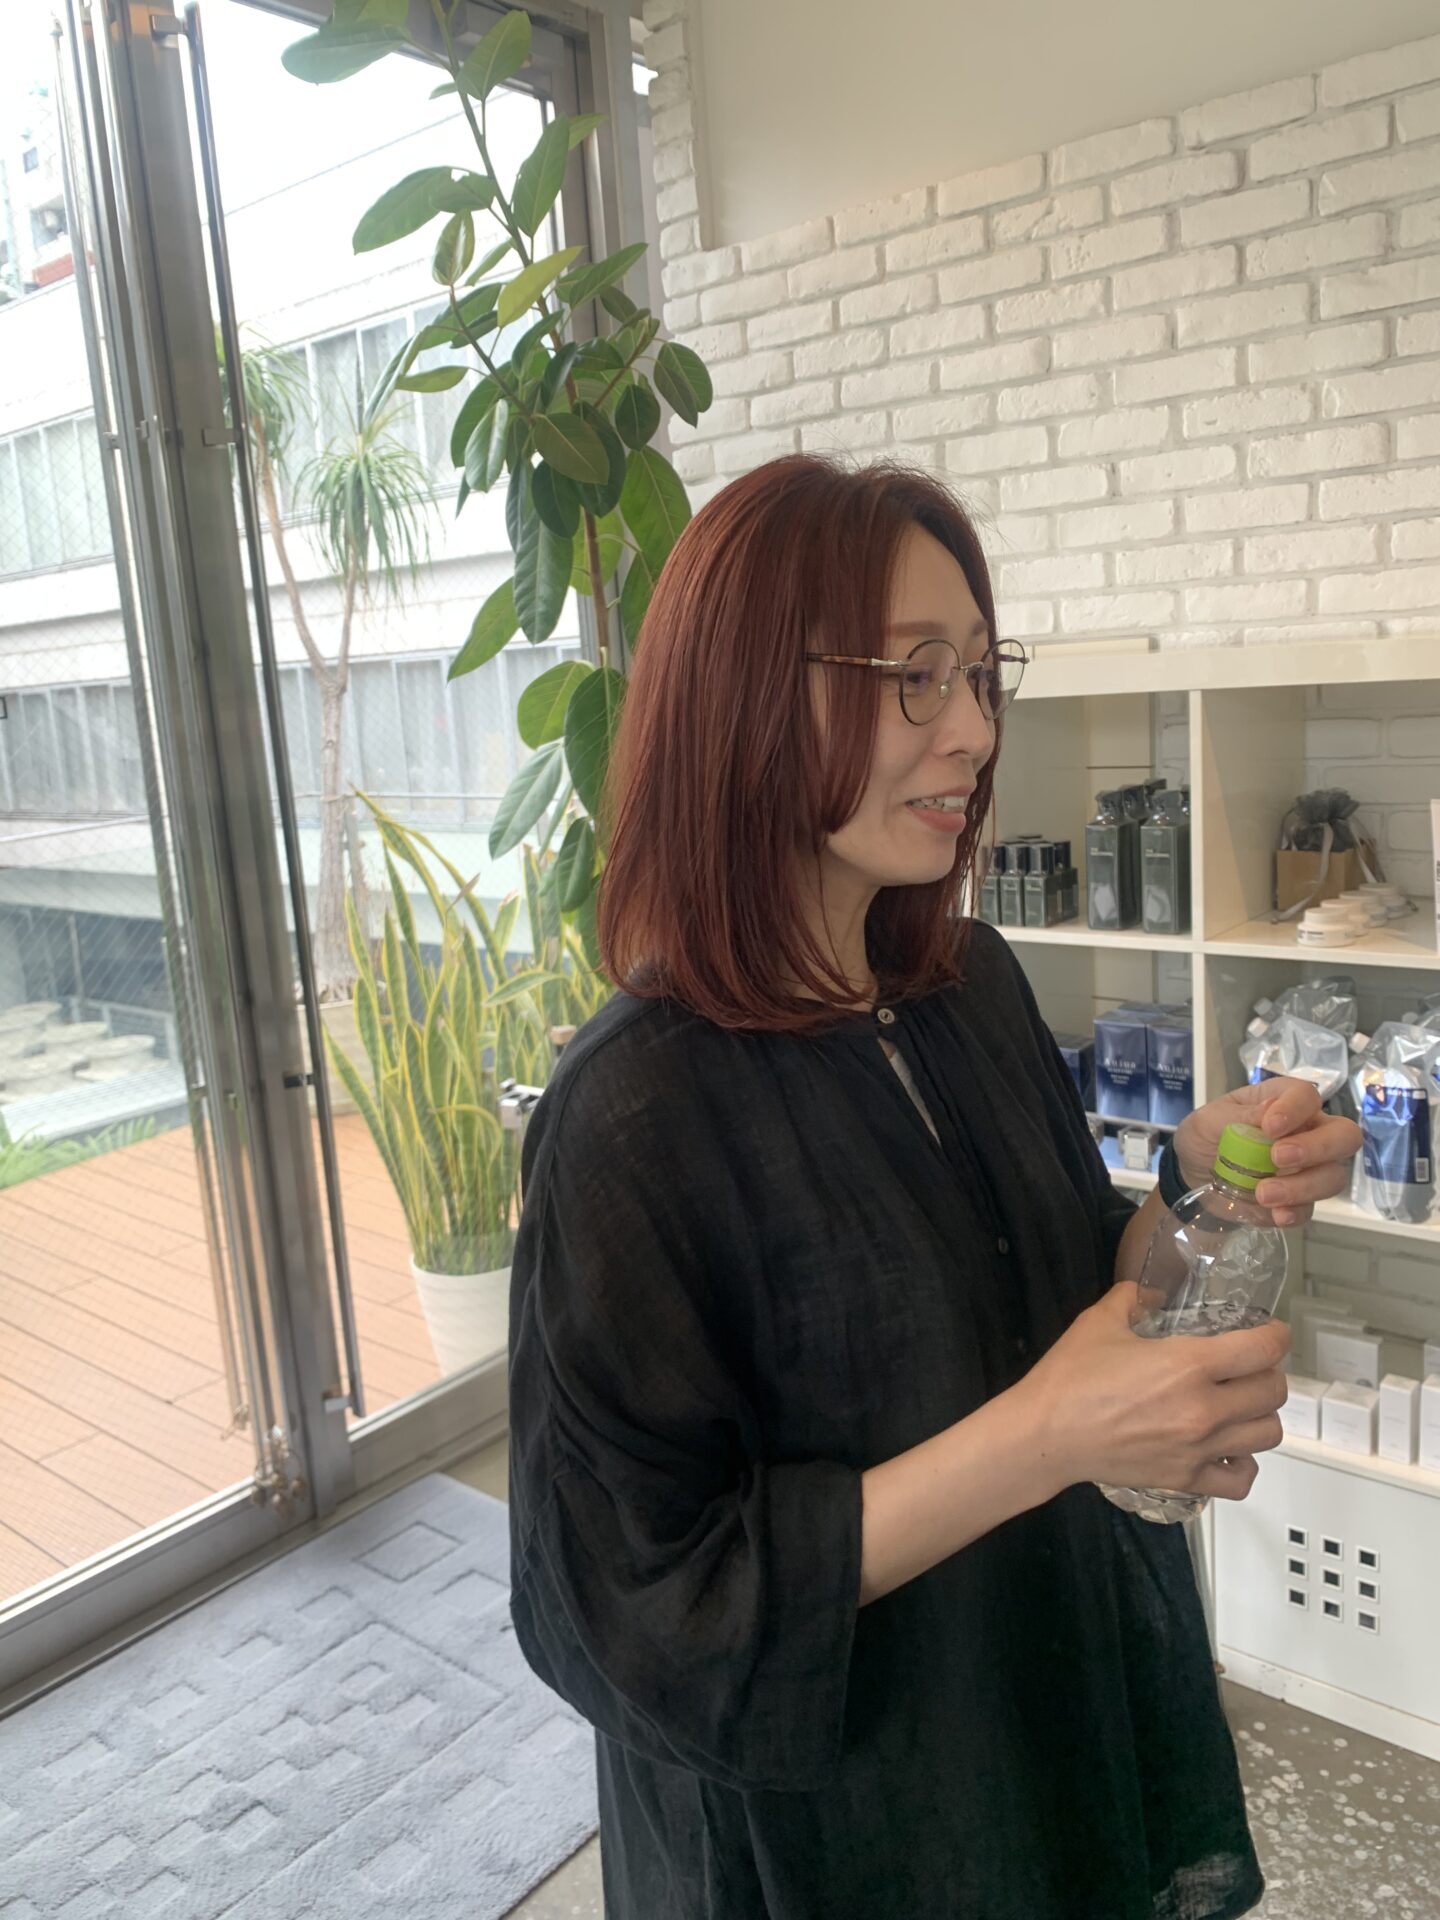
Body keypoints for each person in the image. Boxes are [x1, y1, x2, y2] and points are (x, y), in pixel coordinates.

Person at [505, 455, 1360, 1920]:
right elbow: (632, 1605)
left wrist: (1204, 1194)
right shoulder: (633, 1118)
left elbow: (1073, 1283)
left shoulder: (968, 984)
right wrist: (1046, 1435)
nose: (973, 729)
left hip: (1043, 1714)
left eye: (977, 671)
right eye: (913, 677)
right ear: (746, 697)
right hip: (846, 1836)